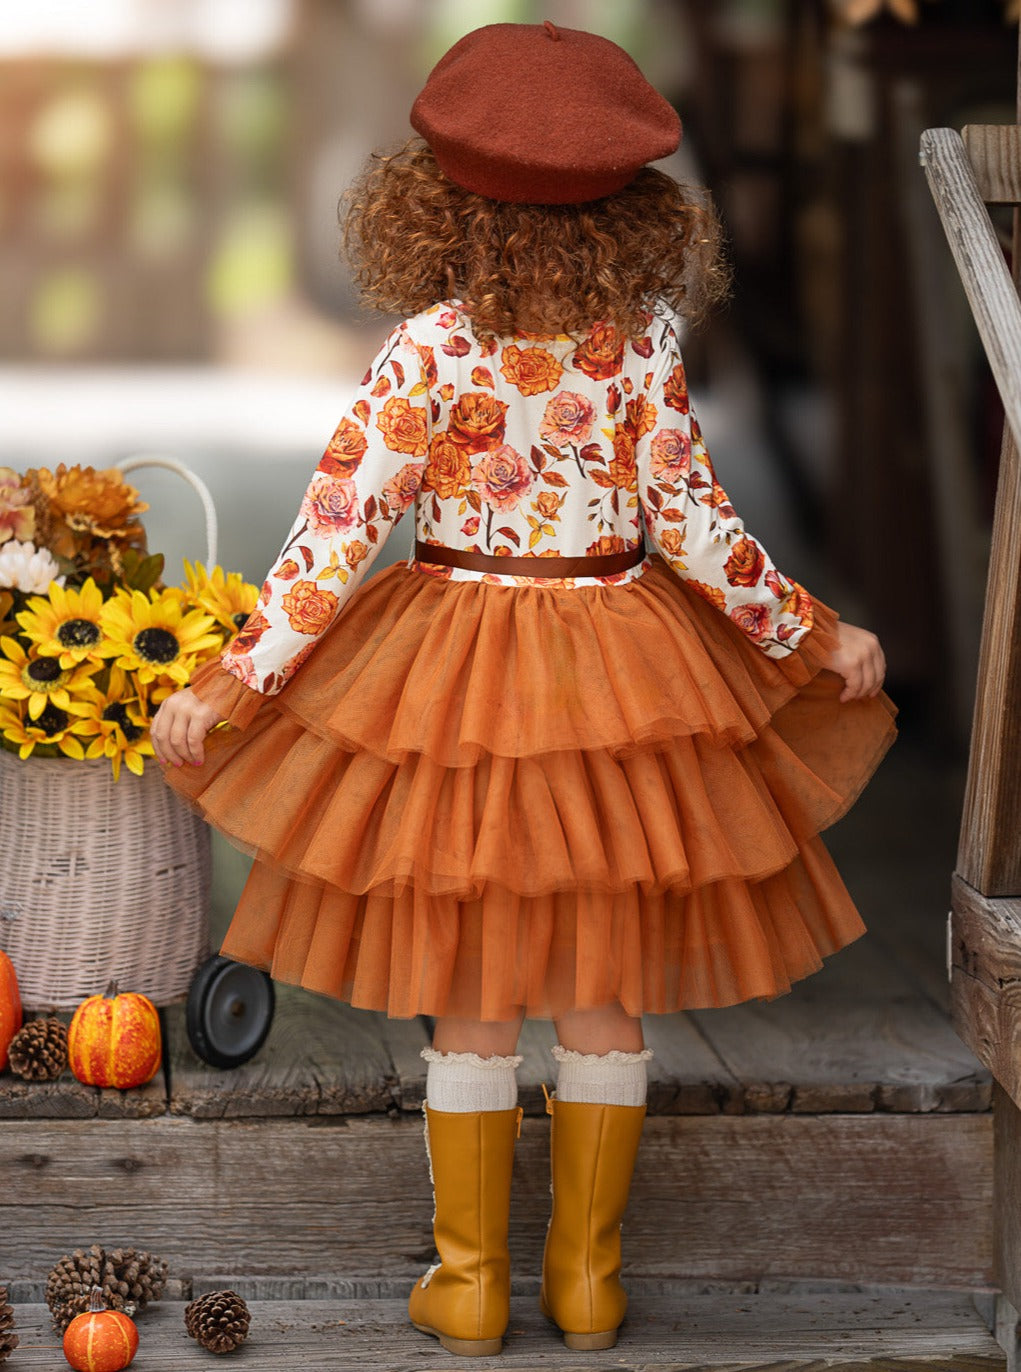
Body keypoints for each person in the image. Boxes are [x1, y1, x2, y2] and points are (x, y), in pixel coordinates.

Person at [151, 21, 895, 1359]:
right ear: (634, 211)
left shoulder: (424, 350)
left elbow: (334, 535)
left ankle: (469, 1282)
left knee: (477, 982)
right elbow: (694, 525)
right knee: (602, 982)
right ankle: (588, 1280)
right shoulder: (643, 342)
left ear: (431, 199)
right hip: (623, 665)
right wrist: (802, 632)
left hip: (451, 670)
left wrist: (233, 679)